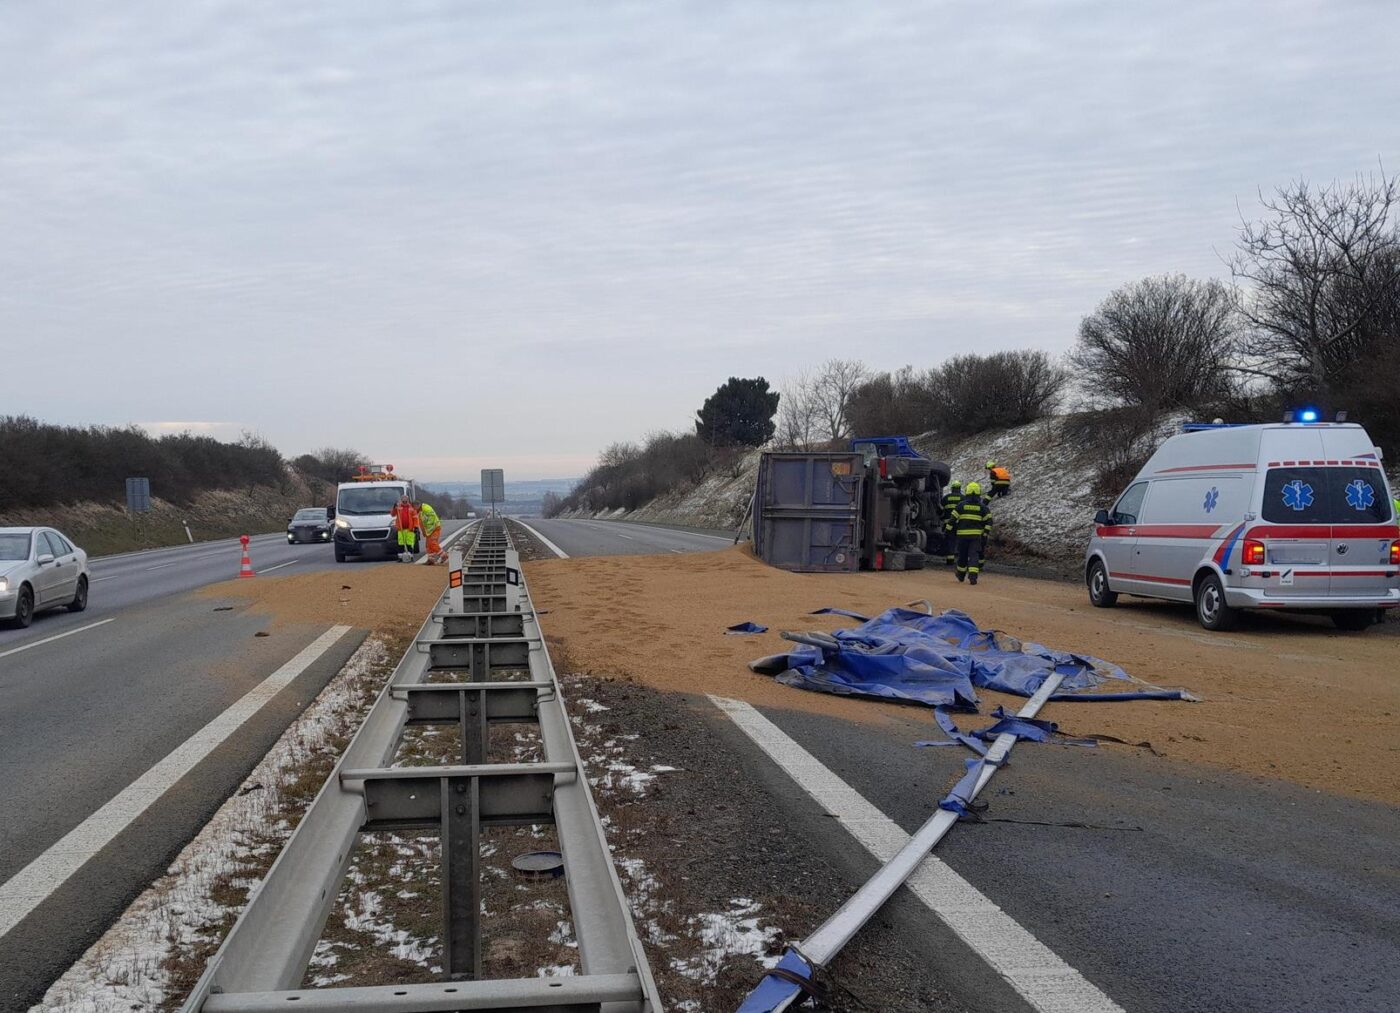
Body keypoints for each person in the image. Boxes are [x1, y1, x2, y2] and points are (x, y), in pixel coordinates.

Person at [953, 481, 992, 585]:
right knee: (974, 555)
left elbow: (953, 519)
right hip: (976, 537)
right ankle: (973, 577)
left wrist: (948, 531)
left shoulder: (961, 505)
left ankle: (961, 575)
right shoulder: (983, 507)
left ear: (967, 492)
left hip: (962, 536)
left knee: (962, 555)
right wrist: (985, 533)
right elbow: (989, 521)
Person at [939, 480, 963, 565]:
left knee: (950, 541)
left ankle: (950, 560)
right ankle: (961, 560)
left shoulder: (946, 498)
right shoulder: (963, 498)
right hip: (960, 524)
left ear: (952, 488)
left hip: (948, 524)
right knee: (961, 541)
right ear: (959, 488)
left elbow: (940, 509)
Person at [390, 495, 421, 560]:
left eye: (406, 500)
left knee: (409, 543)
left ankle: (410, 556)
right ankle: (400, 557)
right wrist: (394, 507)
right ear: (401, 500)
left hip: (410, 529)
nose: (404, 501)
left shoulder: (411, 508)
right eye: (403, 500)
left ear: (408, 500)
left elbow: (415, 518)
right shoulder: (398, 508)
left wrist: (416, 527)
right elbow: (392, 514)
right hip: (401, 529)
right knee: (401, 543)